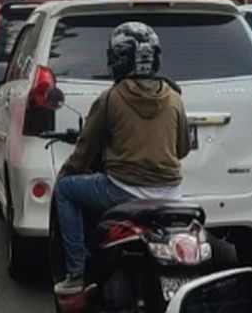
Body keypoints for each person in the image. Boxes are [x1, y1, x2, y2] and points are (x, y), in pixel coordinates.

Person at [53, 22, 190, 297]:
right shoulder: (175, 97)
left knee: (65, 191)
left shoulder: (111, 98)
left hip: (122, 190)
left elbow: (84, 152)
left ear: (118, 59)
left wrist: (66, 172)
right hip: (171, 194)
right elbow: (182, 149)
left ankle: (76, 273)